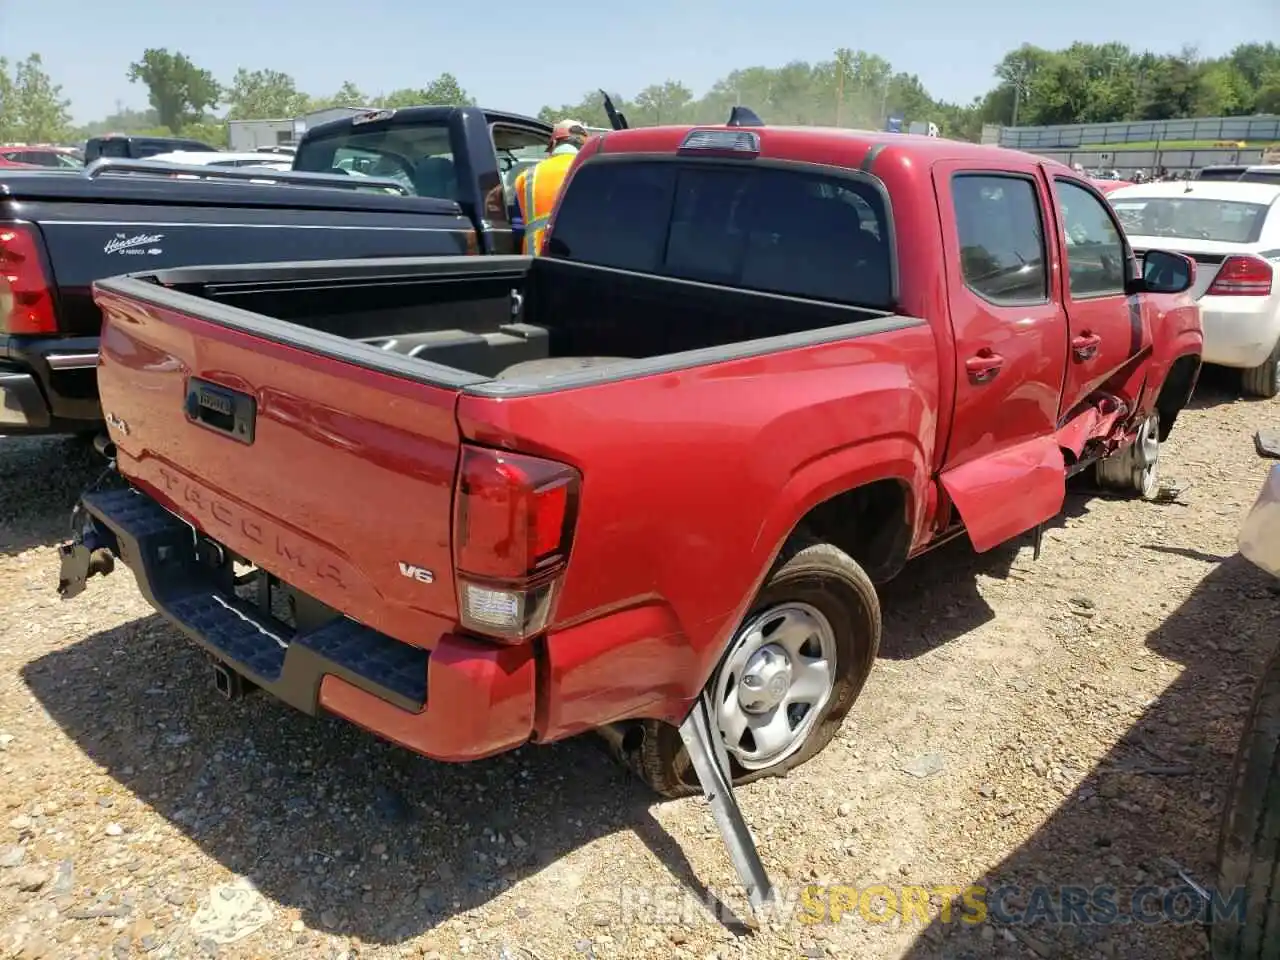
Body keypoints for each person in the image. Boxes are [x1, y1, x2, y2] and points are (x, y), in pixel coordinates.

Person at [514, 119, 589, 255]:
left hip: (536, 261)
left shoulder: (526, 177)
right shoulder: (589, 171)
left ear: (554, 143)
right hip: (580, 261)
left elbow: (517, 227)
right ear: (584, 146)